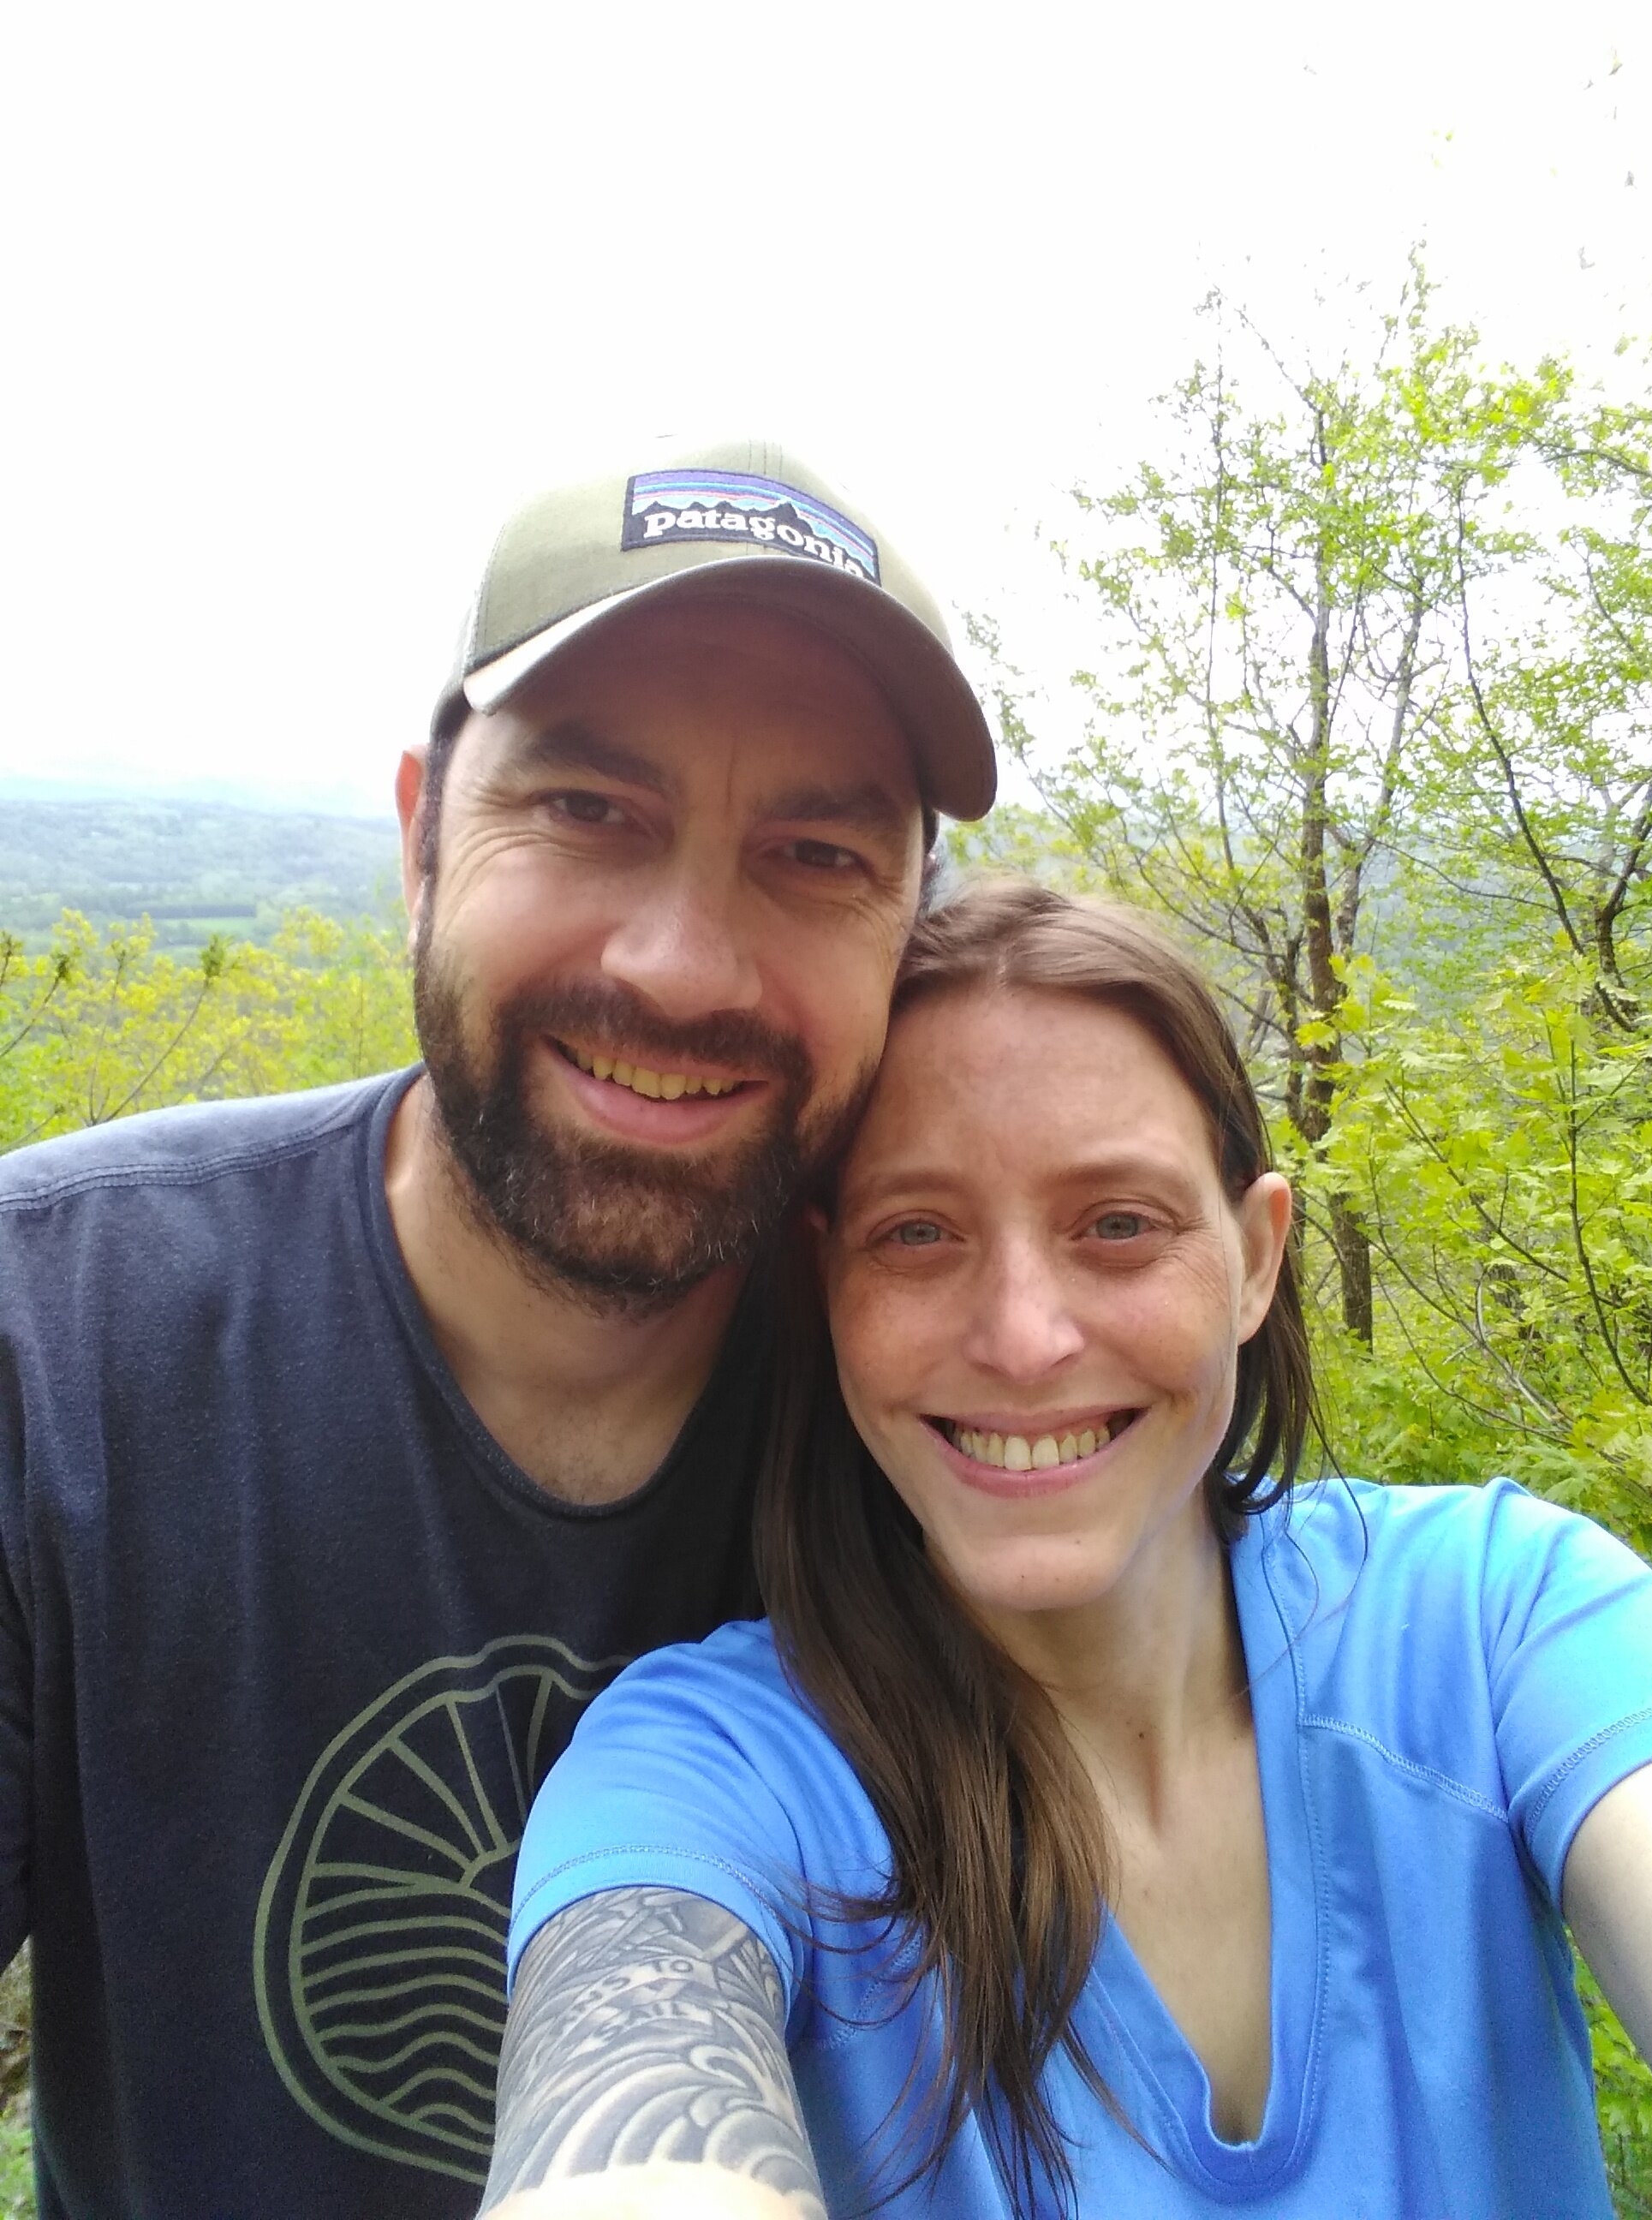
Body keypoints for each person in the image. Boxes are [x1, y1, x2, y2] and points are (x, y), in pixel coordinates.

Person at [0, 439, 997, 2220]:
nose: (683, 963)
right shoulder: (59, 1334)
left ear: (908, 928)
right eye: (588, 811)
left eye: (816, 853)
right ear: (419, 838)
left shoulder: (978, 1408)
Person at [483, 879, 1652, 2220]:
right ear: (830, 1289)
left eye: (1118, 1224)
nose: (1025, 1337)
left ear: (1258, 1257)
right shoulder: (713, 1776)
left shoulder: (1497, 1621)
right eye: (917, 1233)